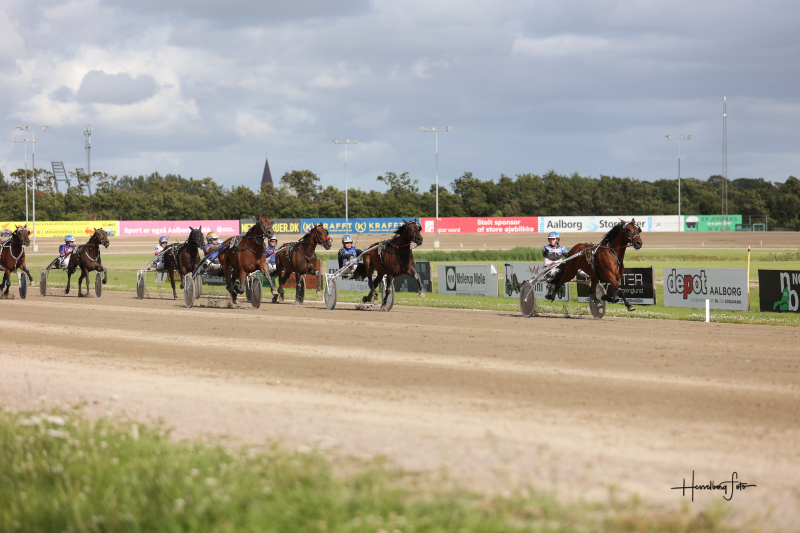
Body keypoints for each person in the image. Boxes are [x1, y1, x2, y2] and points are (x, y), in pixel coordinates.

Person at [543, 232, 569, 300]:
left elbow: (569, 255)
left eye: (553, 239)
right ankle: (552, 287)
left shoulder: (562, 248)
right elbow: (544, 253)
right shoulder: (546, 247)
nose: (551, 241)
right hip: (548, 268)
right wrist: (545, 252)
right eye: (550, 239)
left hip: (558, 268)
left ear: (557, 240)